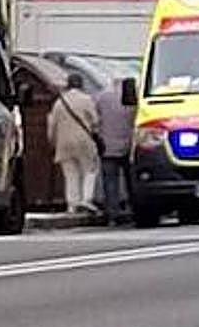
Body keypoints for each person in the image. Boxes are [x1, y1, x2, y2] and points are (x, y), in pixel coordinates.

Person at [47, 73, 101, 214]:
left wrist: (53, 142)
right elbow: (95, 121)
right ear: (81, 85)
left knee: (70, 175)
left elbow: (52, 127)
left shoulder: (59, 103)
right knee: (89, 170)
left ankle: (72, 204)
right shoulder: (86, 100)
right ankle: (86, 199)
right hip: (84, 141)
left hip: (63, 144)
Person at [96, 78, 136, 225]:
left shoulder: (102, 98)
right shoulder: (134, 99)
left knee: (110, 182)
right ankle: (134, 209)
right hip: (129, 145)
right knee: (131, 181)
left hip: (108, 146)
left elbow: (96, 120)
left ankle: (113, 214)